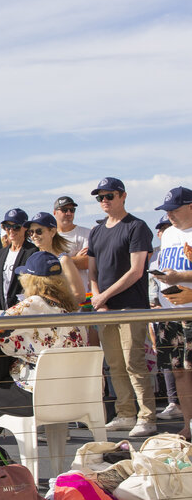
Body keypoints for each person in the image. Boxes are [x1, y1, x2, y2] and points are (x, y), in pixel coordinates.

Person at [0, 251, 85, 433]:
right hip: (75, 394)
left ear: (31, 280)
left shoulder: (35, 304)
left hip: (40, 395)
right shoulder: (70, 308)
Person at [88, 177, 156, 437]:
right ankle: (125, 413)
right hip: (105, 308)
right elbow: (93, 271)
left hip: (131, 306)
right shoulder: (96, 231)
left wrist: (102, 296)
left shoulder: (137, 227)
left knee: (134, 362)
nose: (104, 201)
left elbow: (136, 271)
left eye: (109, 196)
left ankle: (147, 415)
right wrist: (98, 300)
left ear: (122, 196)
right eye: (100, 197)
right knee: (115, 364)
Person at [152, 186, 192, 438]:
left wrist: (180, 276)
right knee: (178, 371)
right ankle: (188, 424)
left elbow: (179, 272)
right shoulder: (167, 236)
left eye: (174, 210)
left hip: (189, 312)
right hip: (170, 312)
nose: (170, 215)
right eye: (167, 211)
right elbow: (169, 269)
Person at [150, 213, 181, 422]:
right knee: (172, 367)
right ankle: (174, 404)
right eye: (160, 227)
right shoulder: (158, 253)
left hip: (183, 311)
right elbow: (153, 290)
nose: (163, 230)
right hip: (164, 313)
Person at [24, 212, 86, 304]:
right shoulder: (33, 259)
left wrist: (52, 304)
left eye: (39, 231)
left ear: (52, 232)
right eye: (31, 232)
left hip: (59, 316)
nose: (34, 235)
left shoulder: (63, 260)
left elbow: (79, 295)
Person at [0, 208, 37, 313]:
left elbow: (32, 286)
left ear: (25, 228)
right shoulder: (1, 253)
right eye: (7, 227)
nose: (11, 231)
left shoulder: (33, 252)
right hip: (3, 311)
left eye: (16, 227)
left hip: (23, 311)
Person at [54, 195, 91, 291]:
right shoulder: (50, 236)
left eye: (72, 210)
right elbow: (47, 265)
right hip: (58, 294)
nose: (69, 213)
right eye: (64, 210)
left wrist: (57, 261)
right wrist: (75, 259)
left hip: (81, 294)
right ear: (55, 212)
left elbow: (87, 262)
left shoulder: (86, 233)